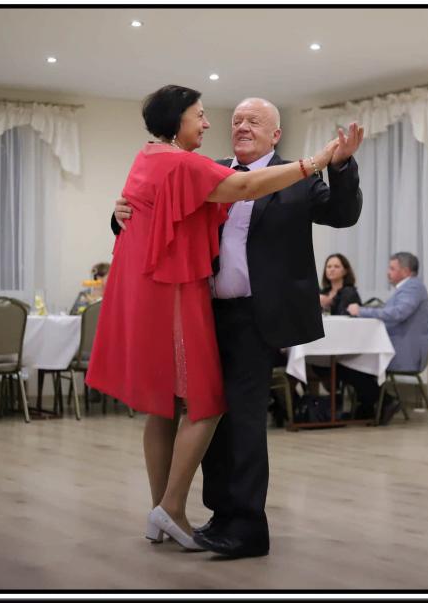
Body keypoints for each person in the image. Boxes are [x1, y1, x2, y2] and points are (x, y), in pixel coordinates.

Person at [86, 85, 341, 551]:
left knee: (184, 410)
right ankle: (176, 510)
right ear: (177, 120)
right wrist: (315, 160)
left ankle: (195, 516)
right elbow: (240, 189)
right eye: (202, 115)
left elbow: (341, 211)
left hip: (224, 310)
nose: (213, 123)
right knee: (204, 407)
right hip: (188, 301)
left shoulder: (151, 157)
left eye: (250, 121)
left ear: (275, 133)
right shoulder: (192, 165)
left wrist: (333, 166)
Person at [344, 252, 428, 425]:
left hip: (403, 352)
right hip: (395, 346)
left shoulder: (413, 288)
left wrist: (361, 311)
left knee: (349, 363)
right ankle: (373, 406)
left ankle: (383, 403)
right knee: (350, 362)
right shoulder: (407, 289)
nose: (387, 272)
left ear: (405, 271)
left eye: (392, 268)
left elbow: (398, 313)